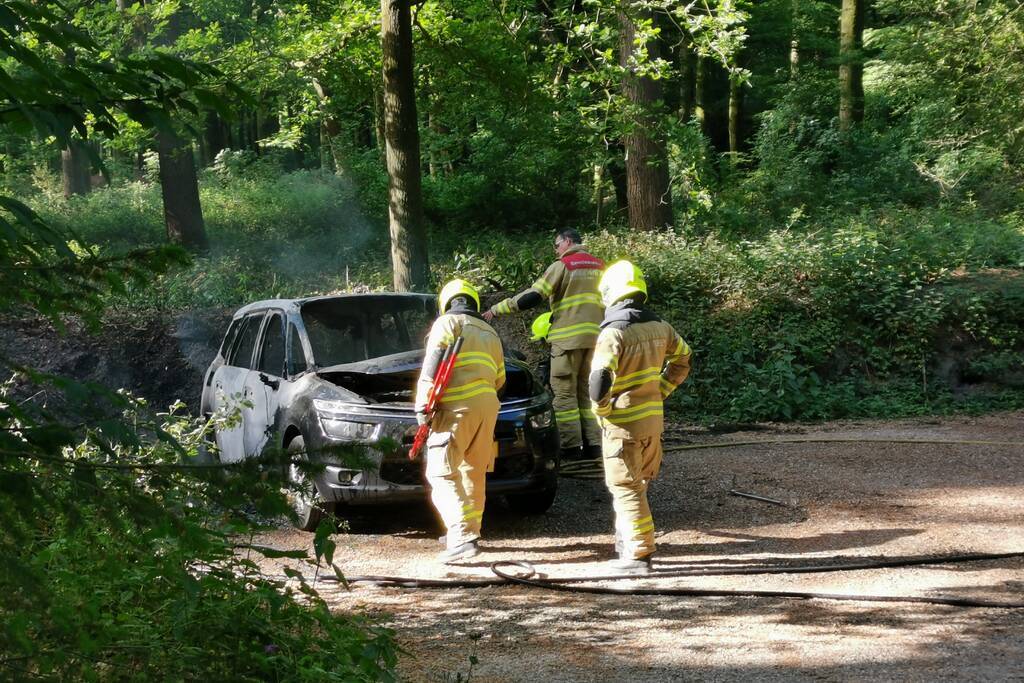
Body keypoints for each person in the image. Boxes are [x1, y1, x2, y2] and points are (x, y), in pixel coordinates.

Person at [588, 260, 692, 574]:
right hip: (652, 423)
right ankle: (628, 545)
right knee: (639, 485)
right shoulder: (662, 327)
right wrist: (662, 389)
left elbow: (599, 380)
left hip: (624, 425)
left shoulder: (613, 332)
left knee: (626, 487)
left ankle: (638, 555)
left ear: (610, 292)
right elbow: (684, 358)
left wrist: (601, 410)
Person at [483, 229, 604, 466]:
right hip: (597, 341)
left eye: (557, 245)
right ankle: (594, 445)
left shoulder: (563, 266)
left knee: (565, 394)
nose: (556, 250)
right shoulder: (601, 266)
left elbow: (533, 296)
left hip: (568, 341)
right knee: (587, 393)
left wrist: (497, 309)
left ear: (567, 241)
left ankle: (571, 448)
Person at [416, 279, 505, 563]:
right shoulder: (490, 332)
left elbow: (433, 367)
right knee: (473, 471)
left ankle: (462, 536)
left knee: (441, 472)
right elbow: (500, 379)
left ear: (446, 302)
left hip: (455, 408)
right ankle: (470, 531)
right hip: (488, 408)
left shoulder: (447, 323)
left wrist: (422, 407)